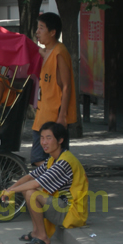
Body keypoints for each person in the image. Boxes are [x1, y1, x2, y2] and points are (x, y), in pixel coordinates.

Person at [1, 122, 88, 244]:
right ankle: (36, 232)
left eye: (48, 138)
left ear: (60, 140)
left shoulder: (64, 162)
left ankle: (43, 237)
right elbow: (31, 176)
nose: (44, 142)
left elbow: (37, 183)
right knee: (27, 190)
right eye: (41, 138)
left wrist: (12, 191)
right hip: (61, 205)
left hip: (71, 211)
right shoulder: (53, 159)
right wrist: (10, 189)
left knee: (32, 192)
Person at [32, 12, 77, 166]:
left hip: (53, 116)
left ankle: (56, 187)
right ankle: (50, 186)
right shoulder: (48, 51)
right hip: (42, 115)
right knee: (40, 158)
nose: (37, 32)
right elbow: (44, 52)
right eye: (37, 28)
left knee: (52, 159)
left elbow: (66, 86)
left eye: (41, 28)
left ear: (53, 32)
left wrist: (62, 116)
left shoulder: (60, 53)